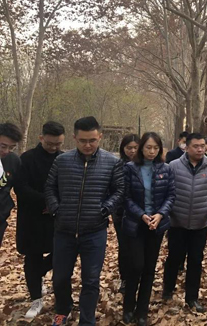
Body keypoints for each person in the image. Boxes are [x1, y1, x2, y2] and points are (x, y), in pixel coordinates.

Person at [45, 116, 125, 326]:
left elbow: (119, 190)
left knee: (91, 280)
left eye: (92, 140)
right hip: (64, 230)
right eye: (82, 141)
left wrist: (105, 209)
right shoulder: (62, 161)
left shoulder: (112, 162)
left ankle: (87, 320)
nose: (87, 145)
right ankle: (63, 310)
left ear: (100, 137)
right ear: (74, 138)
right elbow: (50, 187)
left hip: (94, 231)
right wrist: (56, 209)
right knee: (60, 277)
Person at [162, 133, 207, 312]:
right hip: (177, 222)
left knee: (196, 260)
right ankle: (167, 290)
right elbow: (166, 189)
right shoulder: (173, 166)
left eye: (202, 146)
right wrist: (171, 210)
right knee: (174, 258)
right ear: (186, 148)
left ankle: (192, 298)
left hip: (200, 223)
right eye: (196, 146)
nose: (200, 149)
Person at [122, 132, 175, 326]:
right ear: (141, 148)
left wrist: (160, 215)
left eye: (156, 148)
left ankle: (142, 310)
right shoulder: (130, 168)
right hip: (136, 224)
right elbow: (125, 197)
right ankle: (128, 307)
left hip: (156, 225)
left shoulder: (166, 169)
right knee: (136, 265)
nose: (152, 152)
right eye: (148, 147)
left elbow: (171, 195)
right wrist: (141, 215)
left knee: (149, 268)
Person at [15, 121, 65, 319]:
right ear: (41, 138)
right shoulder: (27, 159)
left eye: (58, 144)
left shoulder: (64, 159)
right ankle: (36, 298)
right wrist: (45, 201)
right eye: (50, 143)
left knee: (60, 253)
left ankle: (40, 275)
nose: (53, 147)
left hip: (56, 217)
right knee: (33, 257)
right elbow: (21, 187)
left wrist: (55, 204)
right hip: (32, 217)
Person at [114, 133, 139, 294]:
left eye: (136, 148)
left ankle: (137, 277)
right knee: (124, 247)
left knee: (138, 248)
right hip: (121, 213)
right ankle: (125, 278)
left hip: (141, 213)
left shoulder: (145, 165)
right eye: (129, 148)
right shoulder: (117, 166)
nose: (132, 151)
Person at [0, 122, 22, 248]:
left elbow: (20, 188)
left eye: (11, 147)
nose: (6, 151)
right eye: (3, 146)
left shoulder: (13, 161)